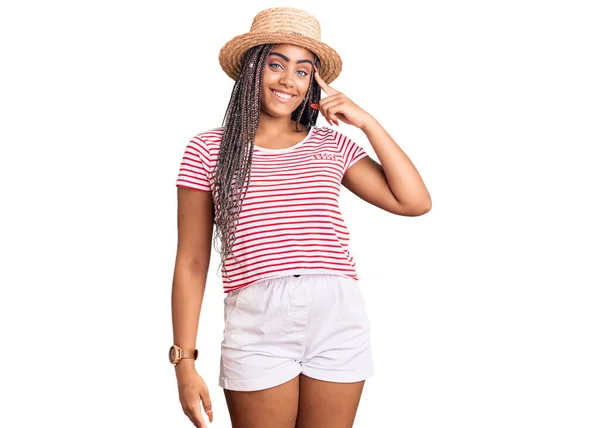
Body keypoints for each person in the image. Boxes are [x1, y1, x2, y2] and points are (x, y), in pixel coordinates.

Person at [170, 7, 431, 428]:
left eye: (303, 71)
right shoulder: (208, 149)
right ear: (251, 70)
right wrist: (183, 360)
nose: (288, 80)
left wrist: (366, 122)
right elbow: (192, 260)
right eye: (276, 64)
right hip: (258, 319)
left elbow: (415, 202)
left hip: (337, 314)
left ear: (313, 83)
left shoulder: (330, 144)